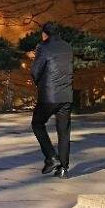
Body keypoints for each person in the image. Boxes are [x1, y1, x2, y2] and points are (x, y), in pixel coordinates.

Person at [30, 21, 74, 178]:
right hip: (66, 95)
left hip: (49, 96)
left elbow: (35, 71)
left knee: (37, 124)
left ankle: (51, 157)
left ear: (45, 34)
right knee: (64, 133)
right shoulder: (68, 47)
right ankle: (63, 169)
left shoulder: (43, 47)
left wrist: (38, 83)